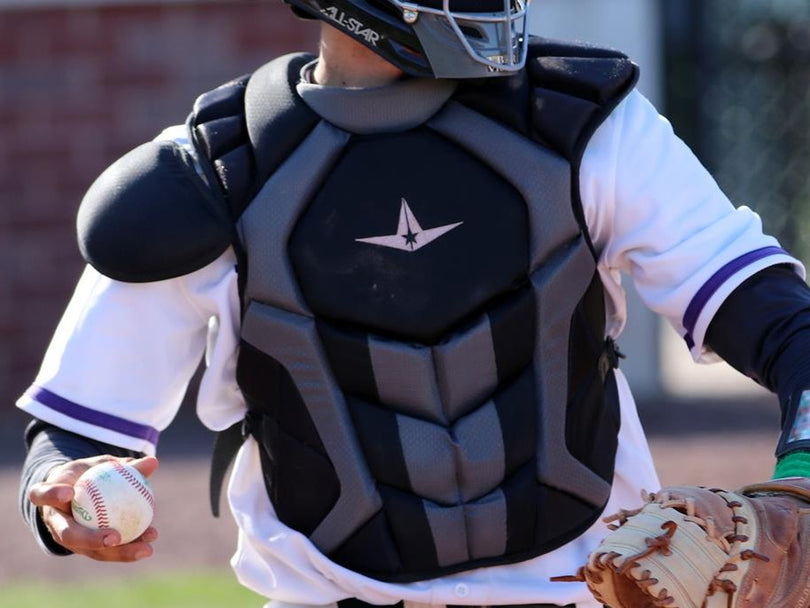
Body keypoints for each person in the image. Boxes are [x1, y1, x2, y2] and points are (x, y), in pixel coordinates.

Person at [17, 0, 810, 606]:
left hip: (581, 587)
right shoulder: (219, 172)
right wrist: (63, 499)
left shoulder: (584, 120)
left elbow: (773, 314)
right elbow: (78, 431)